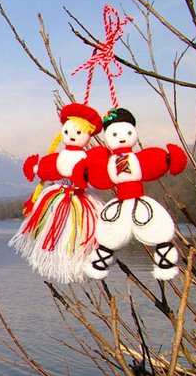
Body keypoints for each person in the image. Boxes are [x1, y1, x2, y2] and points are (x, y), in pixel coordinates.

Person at [72, 107, 187, 280]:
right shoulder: (111, 162)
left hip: (136, 201)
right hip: (124, 202)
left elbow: (155, 161)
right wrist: (84, 173)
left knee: (157, 228)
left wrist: (169, 160)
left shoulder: (136, 159)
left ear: (132, 132)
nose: (122, 137)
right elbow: (98, 173)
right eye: (115, 135)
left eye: (127, 132)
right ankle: (100, 262)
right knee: (110, 232)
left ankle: (165, 263)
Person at [9, 102, 104, 283]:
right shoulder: (60, 157)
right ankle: (68, 262)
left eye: (78, 133)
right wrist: (36, 168)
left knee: (82, 234)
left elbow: (96, 174)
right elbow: (47, 167)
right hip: (61, 197)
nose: (72, 136)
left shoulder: (87, 158)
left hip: (79, 200)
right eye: (68, 132)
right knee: (60, 232)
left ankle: (82, 263)